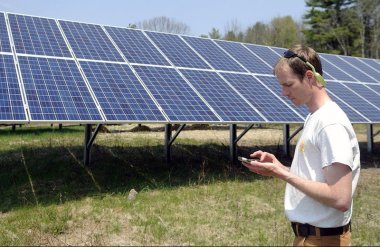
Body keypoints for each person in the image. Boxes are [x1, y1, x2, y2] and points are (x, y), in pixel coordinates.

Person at [242, 44, 360, 246]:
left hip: (323, 240)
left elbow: (340, 198)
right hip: (310, 237)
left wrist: (283, 174)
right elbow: (318, 178)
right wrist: (279, 167)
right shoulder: (315, 118)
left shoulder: (330, 124)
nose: (284, 93)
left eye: (288, 85)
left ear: (309, 77)